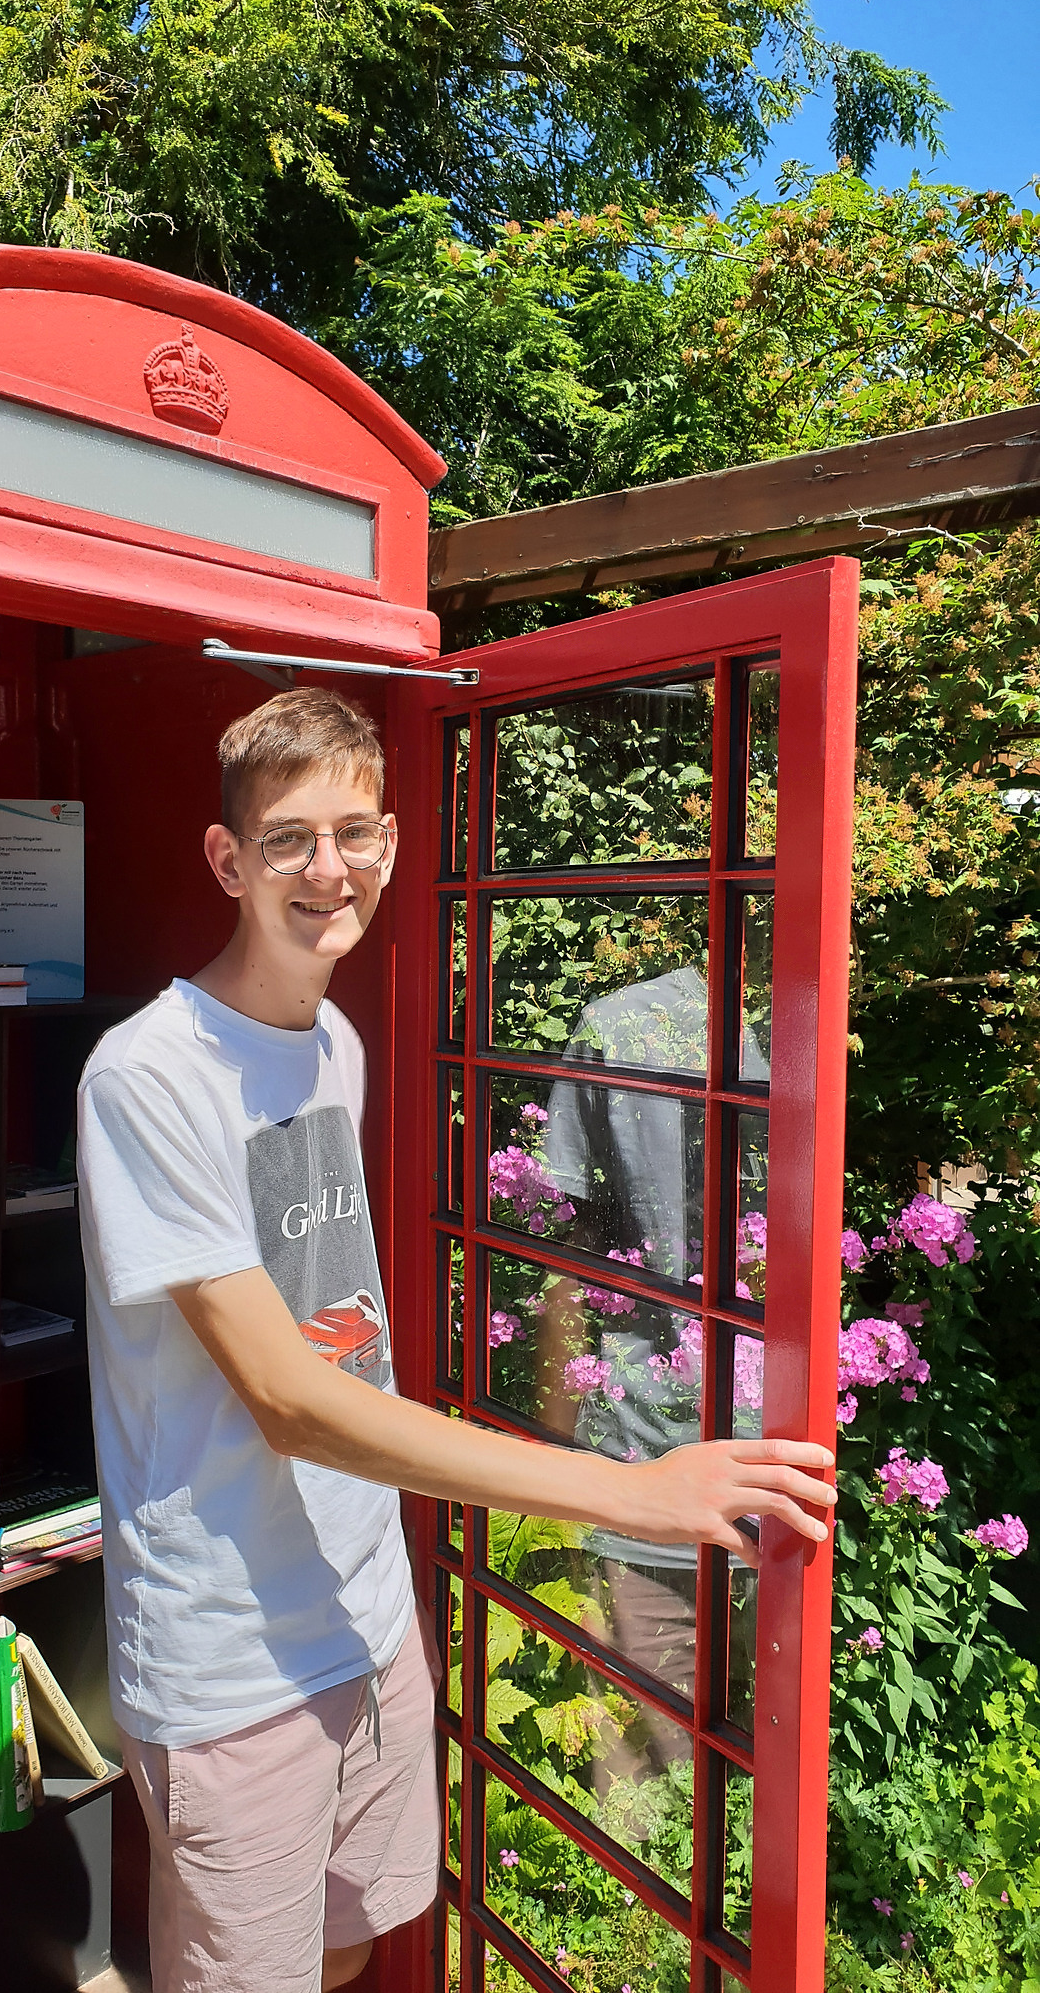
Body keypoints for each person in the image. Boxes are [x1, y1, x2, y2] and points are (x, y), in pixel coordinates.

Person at [76, 688, 834, 1993]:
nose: (328, 869)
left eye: (355, 832)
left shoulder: (334, 1041)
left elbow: (338, 1322)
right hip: (233, 1654)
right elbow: (291, 1399)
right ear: (227, 859)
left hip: (368, 1612)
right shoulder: (149, 1076)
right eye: (289, 838)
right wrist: (627, 1490)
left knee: (352, 1945)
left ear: (390, 843)